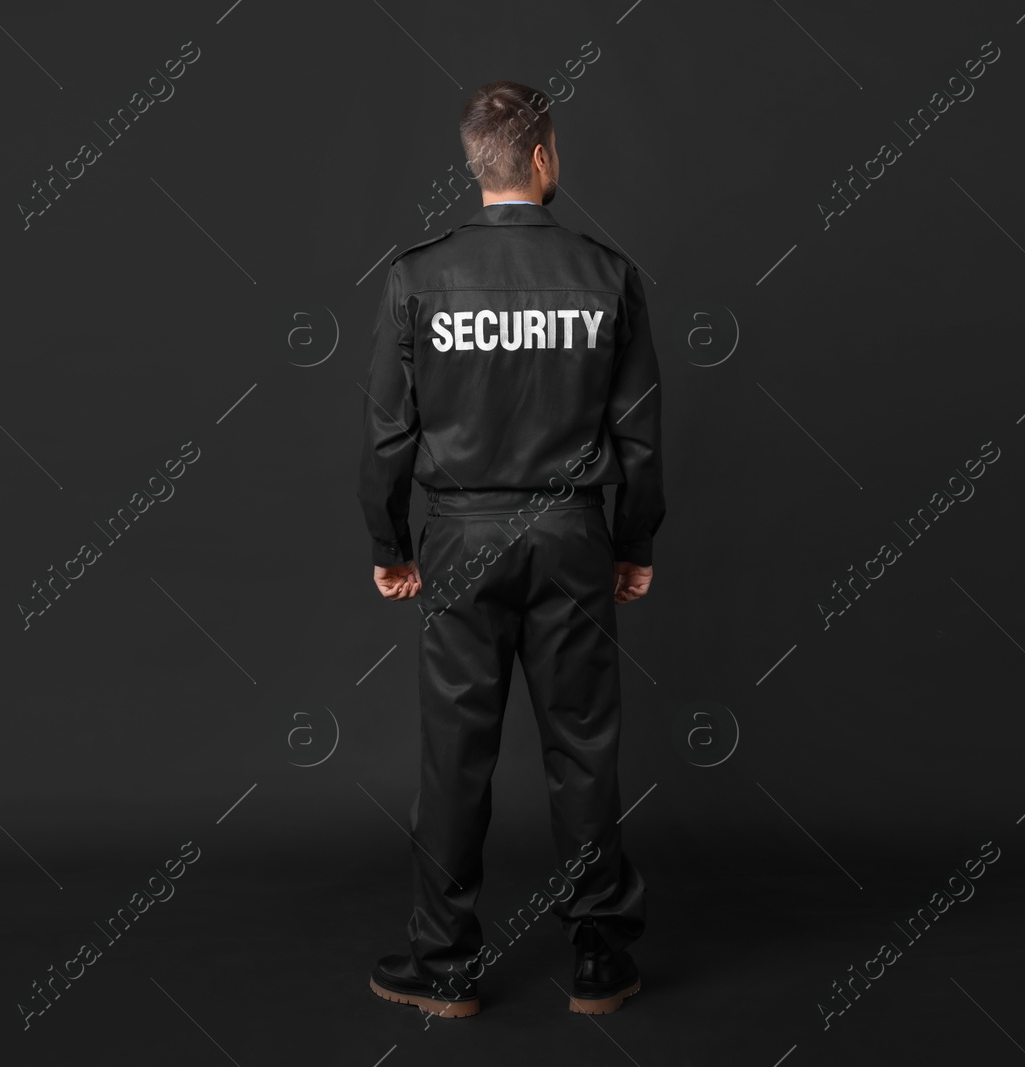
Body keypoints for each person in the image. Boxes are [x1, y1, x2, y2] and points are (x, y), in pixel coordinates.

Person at [357, 80, 664, 1018]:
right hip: (571, 533)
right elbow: (642, 433)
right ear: (541, 158)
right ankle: (600, 960)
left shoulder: (419, 277)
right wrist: (631, 538)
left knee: (456, 755)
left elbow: (386, 437)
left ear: (476, 164)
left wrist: (392, 540)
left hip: (459, 537)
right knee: (582, 747)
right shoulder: (607, 275)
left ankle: (445, 964)